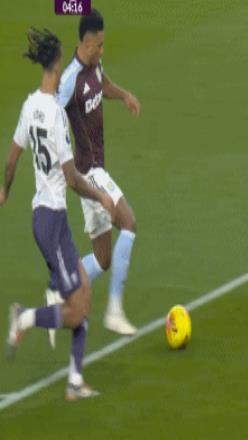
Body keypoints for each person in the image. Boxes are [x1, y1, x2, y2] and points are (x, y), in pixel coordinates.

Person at [1, 28, 114, 400]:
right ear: (57, 64)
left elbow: (12, 159)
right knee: (76, 311)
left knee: (84, 295)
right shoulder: (54, 116)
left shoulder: (29, 105)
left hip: (48, 219)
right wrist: (100, 195)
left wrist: (4, 191)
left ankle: (74, 382)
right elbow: (71, 178)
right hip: (51, 221)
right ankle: (25, 317)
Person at [56, 8, 141, 336]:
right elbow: (52, 116)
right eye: (99, 45)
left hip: (94, 170)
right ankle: (114, 311)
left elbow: (103, 84)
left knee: (103, 259)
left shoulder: (94, 66)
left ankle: (61, 291)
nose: (103, 50)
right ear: (86, 43)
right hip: (88, 172)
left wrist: (124, 95)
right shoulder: (69, 80)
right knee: (129, 223)